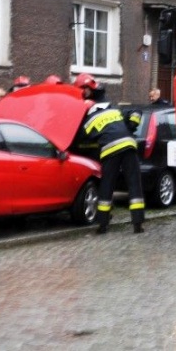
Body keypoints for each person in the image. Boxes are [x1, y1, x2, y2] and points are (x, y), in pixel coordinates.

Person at [73, 73, 145, 234]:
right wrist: (131, 126)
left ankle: (103, 224)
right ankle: (138, 224)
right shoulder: (114, 110)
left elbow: (81, 140)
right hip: (129, 146)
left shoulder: (89, 120)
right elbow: (136, 111)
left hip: (110, 151)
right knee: (134, 184)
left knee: (107, 186)